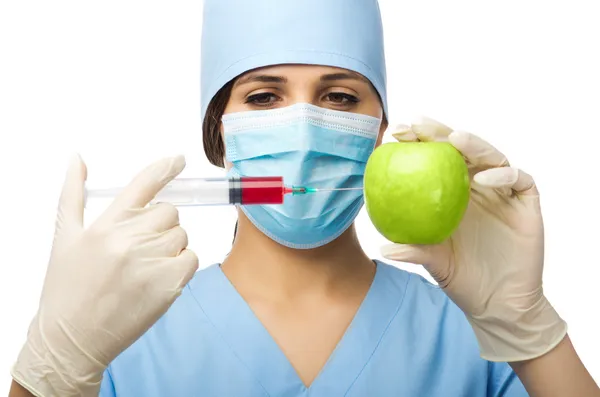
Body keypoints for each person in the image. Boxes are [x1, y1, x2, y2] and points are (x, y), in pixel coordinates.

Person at [8, 0, 600, 396]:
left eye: (340, 97)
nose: (303, 127)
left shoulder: (475, 336)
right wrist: (49, 368)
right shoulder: (118, 330)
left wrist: (529, 330)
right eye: (263, 97)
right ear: (218, 134)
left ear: (381, 130)